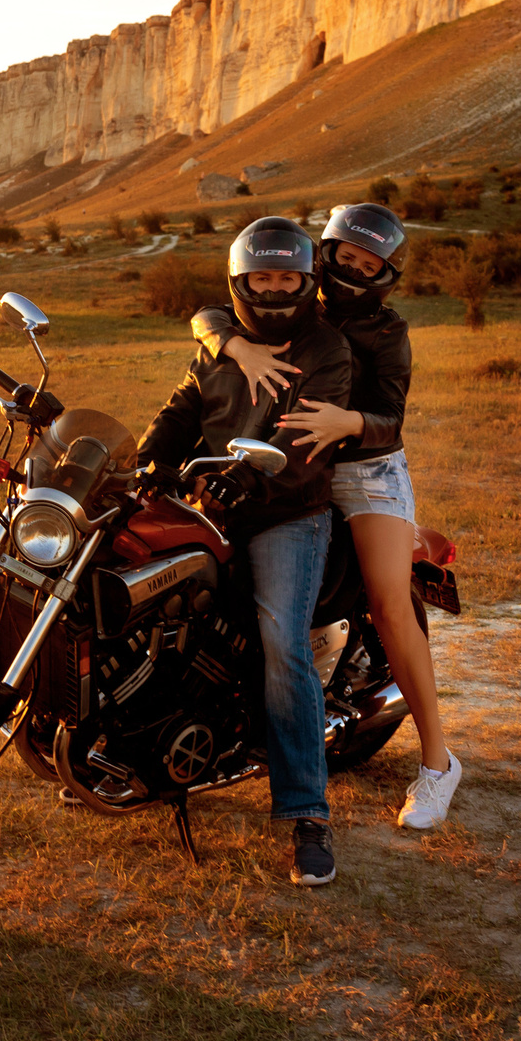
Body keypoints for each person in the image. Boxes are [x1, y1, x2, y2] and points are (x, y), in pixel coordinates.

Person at [190, 202, 460, 832]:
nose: (353, 272)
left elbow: (393, 418)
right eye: (345, 258)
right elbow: (207, 313)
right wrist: (231, 345)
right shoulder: (296, 296)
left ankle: (437, 763)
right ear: (325, 252)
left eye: (370, 266)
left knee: (391, 604)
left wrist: (352, 423)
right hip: (284, 463)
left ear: (388, 272)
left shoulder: (389, 333)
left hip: (364, 470)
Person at [136, 216, 355, 886]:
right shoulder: (219, 347)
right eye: (262, 278)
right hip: (214, 504)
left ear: (307, 279)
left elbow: (303, 442)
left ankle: (306, 814)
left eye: (288, 278)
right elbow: (183, 407)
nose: (275, 289)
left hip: (287, 512)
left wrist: (243, 478)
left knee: (281, 639)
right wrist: (147, 459)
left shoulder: (326, 348)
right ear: (241, 283)